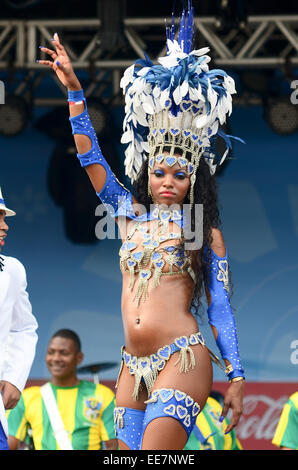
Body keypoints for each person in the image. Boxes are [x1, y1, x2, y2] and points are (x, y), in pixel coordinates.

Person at [36, 1, 245, 450]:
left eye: (178, 174)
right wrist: (75, 92)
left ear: (193, 180)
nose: (167, 181)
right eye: (159, 171)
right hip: (133, 364)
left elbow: (221, 308)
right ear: (147, 172)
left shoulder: (204, 233)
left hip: (182, 358)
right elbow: (90, 156)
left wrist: (238, 378)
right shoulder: (129, 214)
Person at [7, 329, 117, 450]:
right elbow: (8, 444)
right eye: (51, 352)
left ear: (79, 358)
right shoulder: (27, 397)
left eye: (64, 353)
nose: (56, 358)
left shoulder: (102, 394)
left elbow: (113, 446)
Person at [0, 186, 38, 451]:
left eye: (4, 218)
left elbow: (24, 328)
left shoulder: (11, 270)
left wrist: (15, 377)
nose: (5, 227)